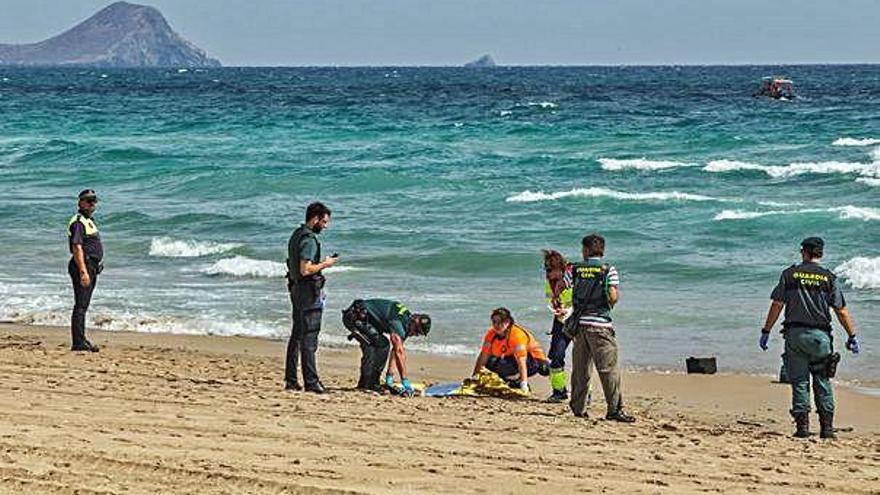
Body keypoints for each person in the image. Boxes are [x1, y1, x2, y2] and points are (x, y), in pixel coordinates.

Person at [760, 237, 860, 439]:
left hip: (795, 336)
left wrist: (766, 330)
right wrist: (852, 335)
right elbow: (841, 311)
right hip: (820, 338)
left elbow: (777, 305)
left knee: (799, 382)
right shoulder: (828, 278)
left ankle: (802, 428)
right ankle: (827, 429)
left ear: (804, 252)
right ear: (820, 253)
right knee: (822, 381)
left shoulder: (789, 275)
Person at [567, 233, 635, 422]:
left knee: (581, 370)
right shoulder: (608, 270)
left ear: (586, 250)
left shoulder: (574, 268)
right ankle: (614, 410)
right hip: (600, 326)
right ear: (602, 250)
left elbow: (560, 289)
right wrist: (610, 301)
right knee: (608, 370)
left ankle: (578, 409)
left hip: (580, 326)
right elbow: (613, 296)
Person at [284, 202, 337, 394]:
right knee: (309, 337)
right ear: (315, 219)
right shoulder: (309, 240)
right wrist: (325, 264)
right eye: (324, 222)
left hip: (296, 289)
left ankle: (291, 380)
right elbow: (305, 269)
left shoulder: (296, 234)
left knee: (297, 335)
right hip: (308, 292)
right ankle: (311, 382)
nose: (325, 226)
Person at [341, 298, 431, 396]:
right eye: (416, 331)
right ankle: (369, 384)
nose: (415, 334)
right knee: (380, 345)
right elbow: (399, 353)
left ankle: (367, 383)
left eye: (418, 334)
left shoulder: (406, 324)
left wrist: (389, 377)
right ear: (414, 320)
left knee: (377, 345)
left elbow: (395, 351)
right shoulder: (398, 323)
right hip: (354, 317)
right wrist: (404, 380)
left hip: (365, 319)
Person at [472, 307, 550, 395]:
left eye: (500, 322)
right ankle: (511, 380)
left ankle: (518, 381)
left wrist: (523, 384)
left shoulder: (517, 335)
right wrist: (475, 377)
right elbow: (483, 356)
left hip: (533, 361)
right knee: (489, 364)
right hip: (509, 358)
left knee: (545, 369)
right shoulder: (491, 334)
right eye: (494, 322)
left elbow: (521, 361)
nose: (497, 325)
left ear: (508, 322)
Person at [67, 189, 103, 352]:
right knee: (81, 305)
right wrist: (83, 271)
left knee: (84, 304)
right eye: (88, 201)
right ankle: (78, 342)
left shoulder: (89, 220)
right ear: (80, 202)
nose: (92, 204)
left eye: (94, 200)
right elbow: (77, 247)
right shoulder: (78, 222)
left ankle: (81, 339)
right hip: (83, 266)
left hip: (91, 266)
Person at [543, 249, 576, 402]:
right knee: (556, 356)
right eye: (546, 269)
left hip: (577, 320)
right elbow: (549, 300)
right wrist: (555, 307)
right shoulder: (549, 282)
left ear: (560, 268)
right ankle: (559, 391)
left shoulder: (574, 278)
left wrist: (568, 310)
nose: (547, 273)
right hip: (560, 321)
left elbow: (582, 301)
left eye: (550, 269)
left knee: (581, 358)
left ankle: (584, 393)